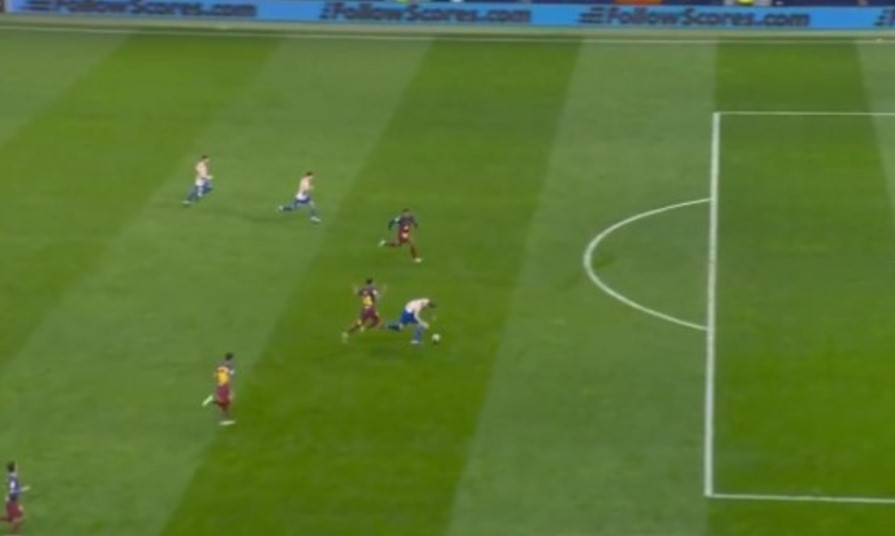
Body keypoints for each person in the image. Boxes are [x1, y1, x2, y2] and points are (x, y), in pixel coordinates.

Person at [202, 353, 236, 426]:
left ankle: (225, 419)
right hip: (224, 386)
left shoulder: (219, 365)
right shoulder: (229, 366)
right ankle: (226, 418)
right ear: (231, 359)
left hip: (220, 386)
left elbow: (214, 375)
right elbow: (231, 375)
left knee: (225, 403)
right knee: (226, 402)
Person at [3, 462, 27, 535]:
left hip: (13, 500)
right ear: (13, 468)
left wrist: (20, 486)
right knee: (18, 518)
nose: (17, 467)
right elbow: (12, 491)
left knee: (14, 516)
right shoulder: (13, 478)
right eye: (16, 466)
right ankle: (14, 534)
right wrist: (22, 489)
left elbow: (10, 480)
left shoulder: (13, 475)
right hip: (11, 501)